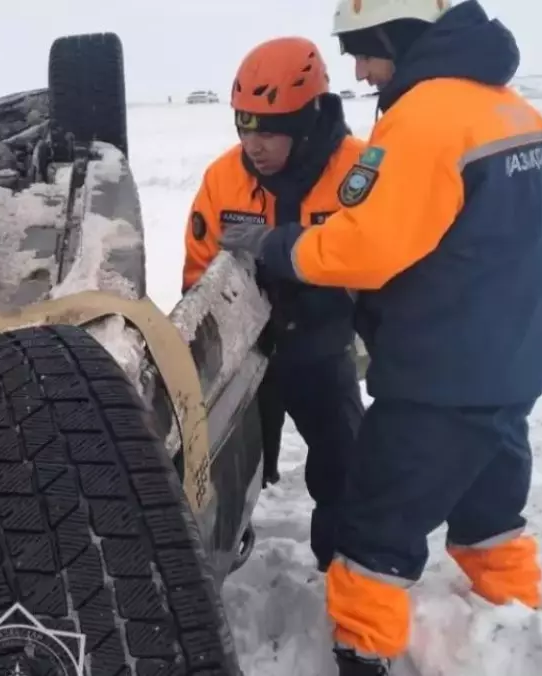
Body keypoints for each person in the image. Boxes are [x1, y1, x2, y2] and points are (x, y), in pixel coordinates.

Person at [219, 2, 542, 674]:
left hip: (439, 374)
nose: (358, 71)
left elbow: (366, 248)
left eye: (363, 50)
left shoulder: (426, 118)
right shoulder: (516, 113)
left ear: (395, 34)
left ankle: (361, 650)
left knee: (374, 525)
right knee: (491, 508)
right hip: (512, 363)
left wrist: (278, 245)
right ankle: (515, 625)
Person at [182, 36, 365, 573]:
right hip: (246, 353)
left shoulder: (360, 174)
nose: (252, 144)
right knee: (217, 469)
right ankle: (210, 562)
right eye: (243, 127)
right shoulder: (224, 178)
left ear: (306, 121)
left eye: (268, 130)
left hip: (323, 349)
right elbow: (198, 274)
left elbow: (388, 263)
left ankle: (345, 572)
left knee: (348, 467)